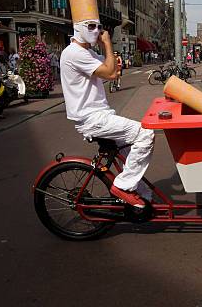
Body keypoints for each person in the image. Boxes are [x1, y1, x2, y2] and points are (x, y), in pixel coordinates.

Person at [60, 21, 154, 208]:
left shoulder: (87, 52)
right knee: (145, 134)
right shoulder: (75, 53)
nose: (97, 31)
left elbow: (114, 70)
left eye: (99, 27)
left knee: (129, 154)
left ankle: (143, 196)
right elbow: (112, 74)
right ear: (78, 28)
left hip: (99, 114)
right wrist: (108, 43)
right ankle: (122, 187)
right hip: (92, 118)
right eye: (91, 27)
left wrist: (104, 48)